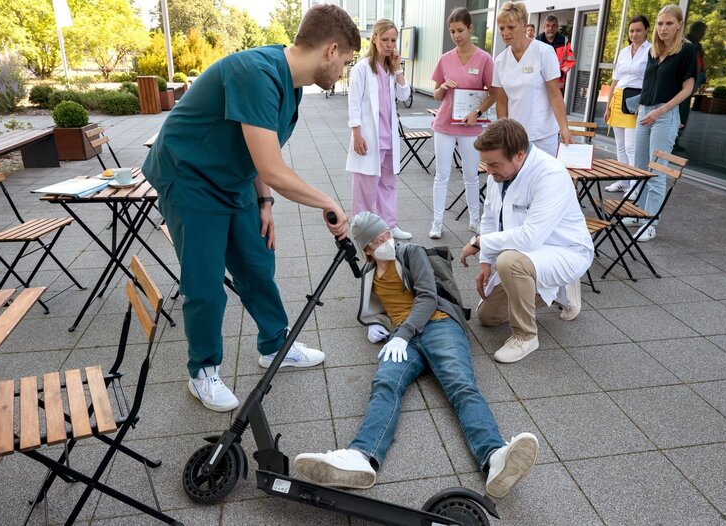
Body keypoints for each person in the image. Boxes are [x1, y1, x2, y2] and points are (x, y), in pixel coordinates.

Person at [141, 5, 360, 413]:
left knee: (257, 261)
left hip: (233, 177)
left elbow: (259, 152)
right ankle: (202, 371)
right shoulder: (256, 73)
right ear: (331, 50)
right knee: (205, 283)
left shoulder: (289, 84)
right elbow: (274, 168)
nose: (343, 70)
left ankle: (275, 343)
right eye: (346, 60)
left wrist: (264, 202)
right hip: (189, 176)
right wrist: (328, 201)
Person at [294, 211, 540, 498]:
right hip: (401, 339)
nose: (387, 240)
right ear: (367, 249)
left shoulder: (411, 253)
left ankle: (494, 457)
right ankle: (361, 456)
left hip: (438, 324)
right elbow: (382, 306)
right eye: (378, 239)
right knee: (384, 384)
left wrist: (401, 334)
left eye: (386, 233)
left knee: (461, 386)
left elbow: (427, 296)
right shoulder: (370, 273)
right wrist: (377, 325)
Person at [461, 119, 593, 363]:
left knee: (510, 261)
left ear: (519, 155)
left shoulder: (550, 174)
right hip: (527, 254)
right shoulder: (498, 174)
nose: (488, 170)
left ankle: (525, 337)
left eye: (494, 164)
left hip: (564, 250)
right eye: (486, 163)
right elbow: (490, 218)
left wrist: (480, 242)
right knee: (487, 317)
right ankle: (559, 290)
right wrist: (485, 262)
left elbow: (530, 237)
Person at [428, 7, 496, 239]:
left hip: (470, 127)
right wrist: (442, 88)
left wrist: (477, 112)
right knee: (441, 175)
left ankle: (475, 221)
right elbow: (436, 94)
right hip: (445, 125)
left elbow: (493, 93)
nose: (456, 36)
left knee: (471, 175)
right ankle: (437, 223)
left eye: (460, 30)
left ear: (470, 28)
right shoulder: (445, 59)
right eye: (452, 32)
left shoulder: (485, 58)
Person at [631, 4, 697, 243]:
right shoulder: (652, 51)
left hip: (664, 115)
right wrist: (640, 106)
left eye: (669, 23)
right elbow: (648, 83)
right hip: (644, 114)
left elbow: (688, 89)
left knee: (656, 171)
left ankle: (650, 222)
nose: (663, 28)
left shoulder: (687, 51)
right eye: (660, 23)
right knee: (640, 168)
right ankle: (638, 212)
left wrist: (662, 111)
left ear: (679, 24)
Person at [347, 19, 413, 241]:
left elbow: (404, 96)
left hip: (389, 137)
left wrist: (398, 68)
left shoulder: (391, 68)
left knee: (388, 183)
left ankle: (389, 226)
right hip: (369, 136)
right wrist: (356, 134)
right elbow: (354, 103)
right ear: (374, 39)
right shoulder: (362, 68)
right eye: (384, 39)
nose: (389, 44)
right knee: (364, 186)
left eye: (393, 40)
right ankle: (361, 228)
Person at [493, 2, 574, 156]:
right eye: (502, 28)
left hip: (542, 135)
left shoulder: (544, 52)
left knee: (543, 179)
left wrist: (564, 127)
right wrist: (503, 133)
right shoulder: (500, 61)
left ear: (524, 26)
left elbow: (555, 94)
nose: (505, 33)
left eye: (511, 27)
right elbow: (502, 102)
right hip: (515, 136)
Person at [604, 16, 651, 193]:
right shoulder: (624, 51)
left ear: (646, 30)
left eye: (638, 30)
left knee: (632, 147)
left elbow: (649, 81)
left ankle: (635, 186)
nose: (634, 34)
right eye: (631, 30)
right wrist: (608, 105)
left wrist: (642, 104)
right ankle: (622, 181)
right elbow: (615, 80)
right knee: (620, 146)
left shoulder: (651, 51)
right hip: (618, 99)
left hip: (634, 101)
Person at [674, 21, 707, 153]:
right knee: (677, 113)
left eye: (704, 33)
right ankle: (671, 141)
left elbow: (700, 64)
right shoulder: (685, 43)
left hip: (691, 85)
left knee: (683, 115)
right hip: (681, 87)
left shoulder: (699, 47)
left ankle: (676, 140)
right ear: (694, 30)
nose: (703, 35)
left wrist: (702, 78)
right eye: (701, 32)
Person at [536, 15, 576, 93]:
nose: (550, 29)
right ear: (544, 27)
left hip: (557, 84)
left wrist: (561, 72)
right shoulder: (536, 42)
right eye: (548, 26)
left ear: (557, 27)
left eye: (553, 26)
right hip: (539, 84)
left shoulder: (564, 42)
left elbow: (571, 60)